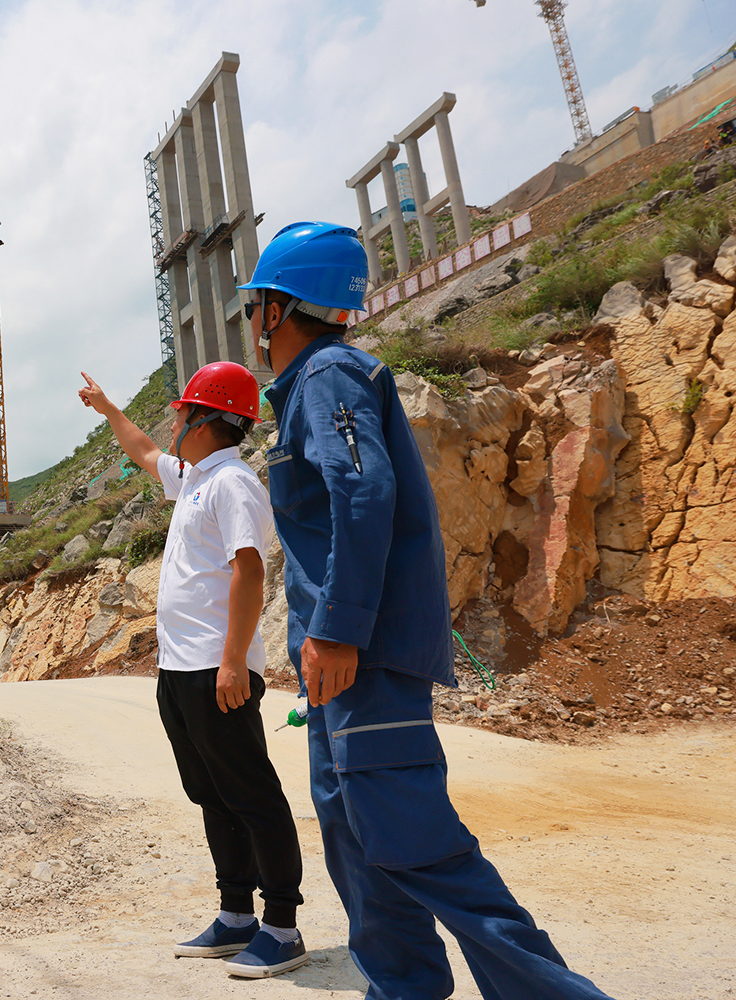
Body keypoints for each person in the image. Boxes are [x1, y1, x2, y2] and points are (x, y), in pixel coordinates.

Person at [238, 221, 617, 1000]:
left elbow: (363, 491)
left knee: (415, 843)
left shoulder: (329, 375)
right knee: (357, 844)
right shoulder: (312, 383)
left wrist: (339, 630)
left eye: (255, 306)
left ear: (277, 308)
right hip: (336, 669)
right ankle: (404, 988)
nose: (251, 321)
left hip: (362, 659)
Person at [79, 364, 309, 979]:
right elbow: (146, 450)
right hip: (180, 670)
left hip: (218, 668)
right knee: (210, 792)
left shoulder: (233, 483)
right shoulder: (195, 478)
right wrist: (107, 410)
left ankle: (282, 926)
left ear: (208, 421)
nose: (174, 421)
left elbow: (250, 570)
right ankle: (236, 916)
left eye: (183, 412)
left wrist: (234, 661)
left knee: (252, 793)